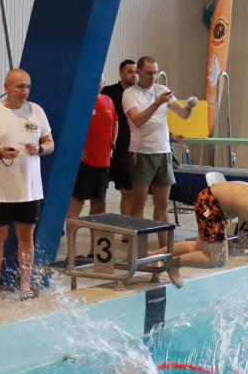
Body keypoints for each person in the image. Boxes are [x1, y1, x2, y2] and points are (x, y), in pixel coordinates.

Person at [0, 68, 54, 305]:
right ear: (6, 87)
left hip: (28, 189)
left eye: (28, 86)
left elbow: (50, 143)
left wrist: (39, 149)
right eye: (20, 87)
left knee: (26, 237)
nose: (25, 91)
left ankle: (25, 286)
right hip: (0, 189)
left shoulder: (36, 111)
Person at [123, 56, 197, 249]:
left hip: (163, 152)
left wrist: (189, 106)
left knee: (162, 205)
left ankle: (164, 249)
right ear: (138, 73)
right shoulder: (130, 94)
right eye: (148, 73)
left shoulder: (162, 90)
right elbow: (138, 120)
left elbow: (183, 115)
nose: (153, 77)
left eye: (155, 72)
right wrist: (157, 103)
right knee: (138, 203)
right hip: (142, 152)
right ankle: (138, 250)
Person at [67, 74, 118, 233]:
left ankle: (94, 248)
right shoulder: (81, 103)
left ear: (104, 82)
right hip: (85, 163)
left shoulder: (108, 101)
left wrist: (112, 144)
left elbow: (115, 122)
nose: (97, 83)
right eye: (93, 79)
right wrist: (76, 149)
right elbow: (69, 127)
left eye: (99, 80)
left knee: (99, 205)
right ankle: (72, 250)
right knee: (77, 203)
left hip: (103, 162)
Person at [101, 60, 138, 216]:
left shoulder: (140, 94)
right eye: (130, 71)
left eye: (136, 72)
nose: (134, 75)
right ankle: (100, 227)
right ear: (121, 73)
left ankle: (126, 230)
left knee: (127, 191)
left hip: (126, 150)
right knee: (99, 193)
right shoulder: (108, 93)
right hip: (106, 150)